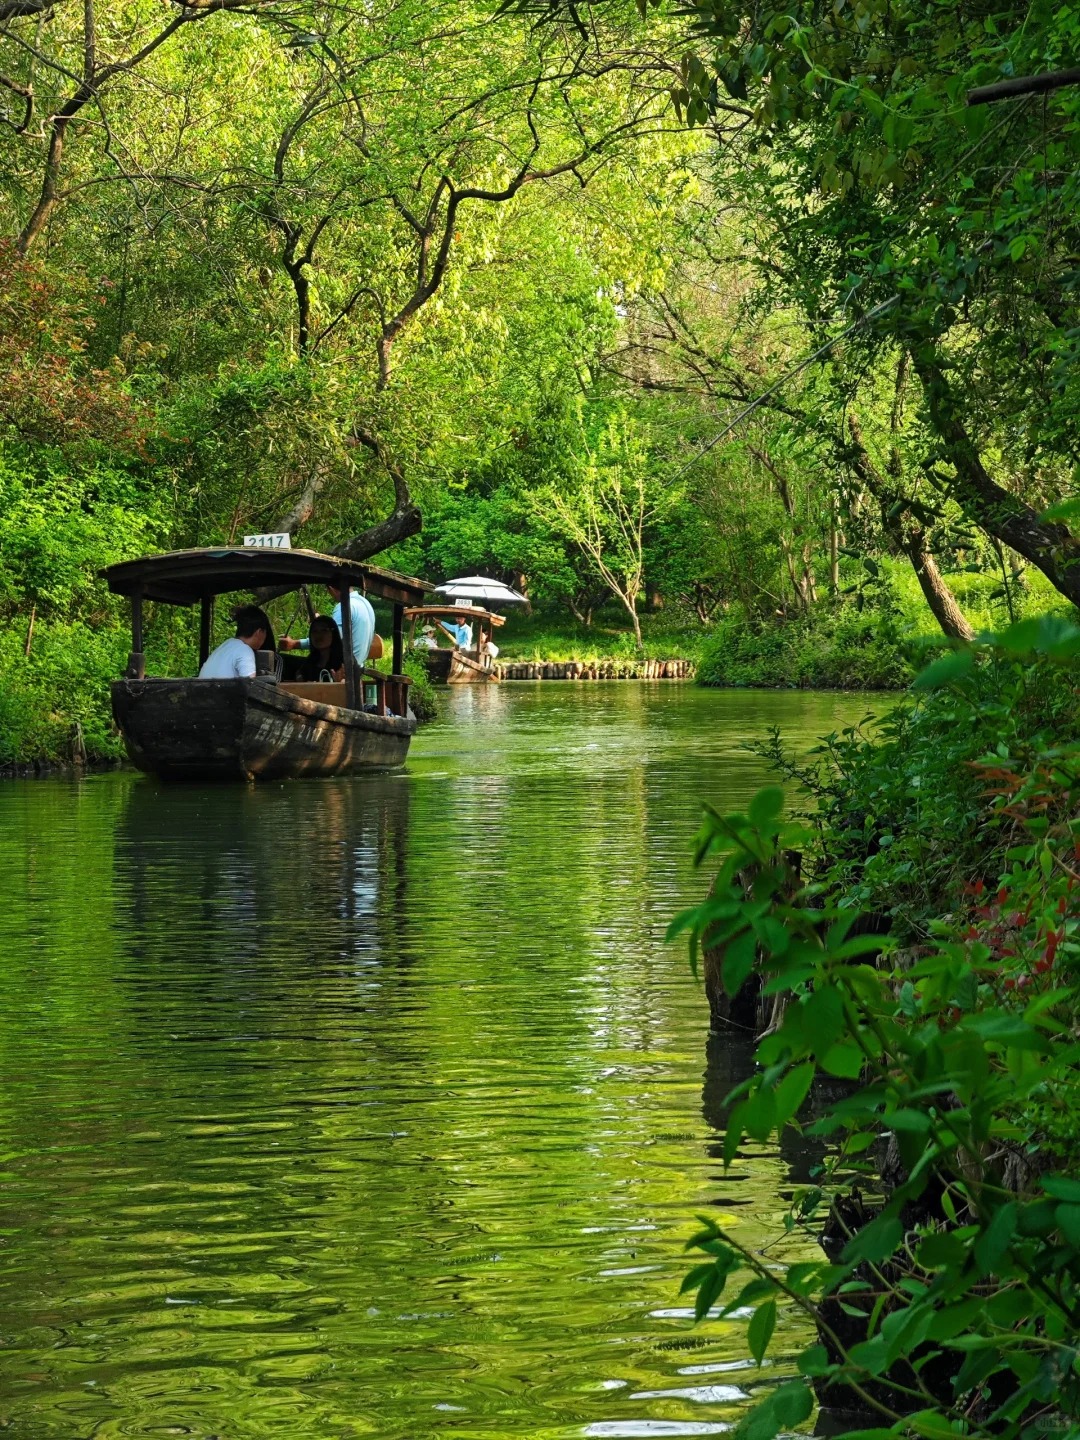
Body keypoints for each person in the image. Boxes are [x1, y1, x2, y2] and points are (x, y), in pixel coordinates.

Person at [280, 582, 376, 668]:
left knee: (282, 661)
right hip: (358, 666)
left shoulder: (344, 606)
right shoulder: (366, 604)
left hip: (342, 668)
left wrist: (294, 644)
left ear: (331, 589)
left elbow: (332, 639)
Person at [198, 606, 270, 679]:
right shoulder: (244, 650)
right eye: (265, 632)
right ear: (259, 632)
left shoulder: (225, 645)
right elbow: (250, 685)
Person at [298, 615, 344, 681]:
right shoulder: (310, 660)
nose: (318, 635)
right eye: (314, 631)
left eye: (324, 630)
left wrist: (339, 683)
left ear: (333, 633)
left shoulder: (345, 660)